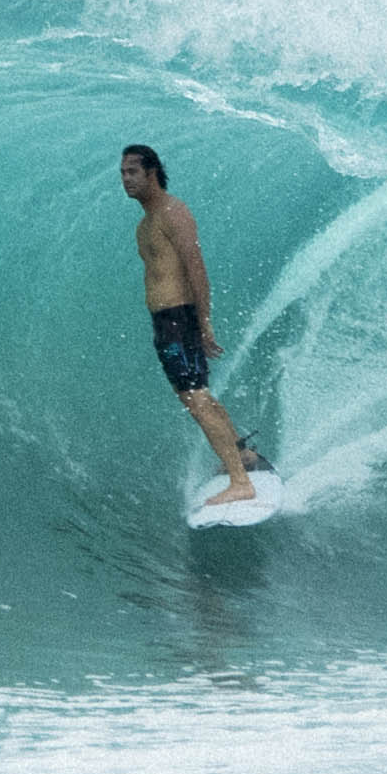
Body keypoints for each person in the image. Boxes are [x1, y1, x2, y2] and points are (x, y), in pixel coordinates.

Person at [119, 143, 264, 504]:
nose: (125, 180)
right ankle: (242, 456)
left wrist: (204, 321)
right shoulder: (145, 224)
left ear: (152, 173)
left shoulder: (173, 212)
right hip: (165, 322)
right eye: (122, 173)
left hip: (178, 318)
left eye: (132, 172)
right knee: (198, 396)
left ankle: (240, 482)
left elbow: (195, 266)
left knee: (196, 400)